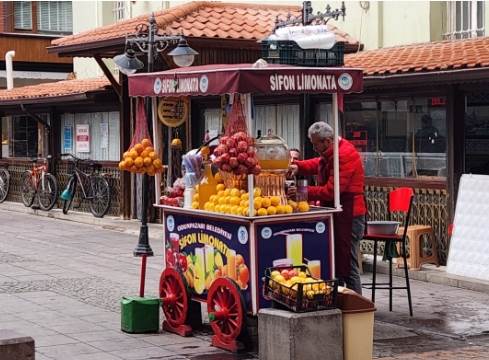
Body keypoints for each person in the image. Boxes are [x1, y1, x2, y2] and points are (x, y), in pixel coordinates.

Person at [288, 121, 366, 294]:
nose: (314, 148)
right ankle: (338, 298)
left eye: (316, 144)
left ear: (327, 141)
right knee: (337, 260)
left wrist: (303, 192)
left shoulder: (344, 155)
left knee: (348, 262)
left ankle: (357, 305)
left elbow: (331, 191)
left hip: (350, 215)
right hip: (339, 213)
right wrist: (298, 166)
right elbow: (318, 163)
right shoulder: (331, 152)